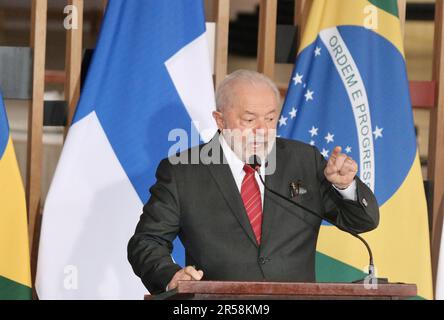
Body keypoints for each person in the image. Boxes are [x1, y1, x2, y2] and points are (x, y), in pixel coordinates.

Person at [128, 70, 379, 294]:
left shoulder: (304, 160)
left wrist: (346, 187)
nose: (262, 130)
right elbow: (147, 241)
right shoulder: (184, 172)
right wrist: (171, 276)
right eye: (249, 120)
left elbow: (362, 221)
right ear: (220, 120)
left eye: (270, 119)